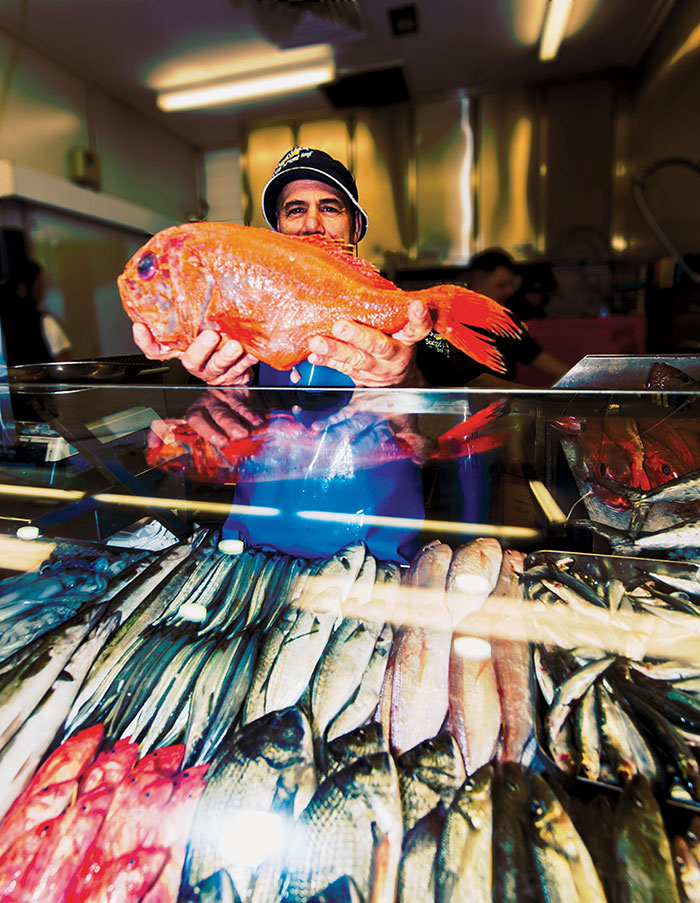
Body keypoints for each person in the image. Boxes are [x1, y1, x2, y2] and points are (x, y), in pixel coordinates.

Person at [133, 147, 432, 389]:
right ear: (278, 229)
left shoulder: (411, 319)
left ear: (355, 226)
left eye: (329, 208)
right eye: (296, 210)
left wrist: (405, 380)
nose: (311, 224)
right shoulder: (238, 311)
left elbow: (449, 428)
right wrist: (230, 388)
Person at [417, 248, 568, 386]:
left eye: (511, 285)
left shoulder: (501, 319)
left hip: (500, 408)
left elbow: (532, 354)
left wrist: (575, 379)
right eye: (501, 285)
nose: (509, 292)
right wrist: (537, 397)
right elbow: (477, 380)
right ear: (477, 283)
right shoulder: (449, 321)